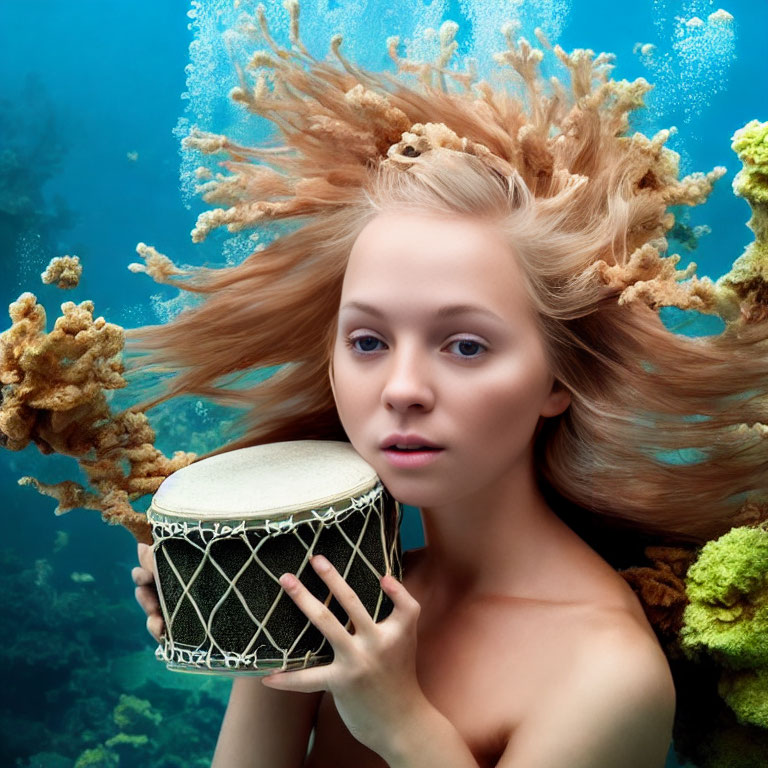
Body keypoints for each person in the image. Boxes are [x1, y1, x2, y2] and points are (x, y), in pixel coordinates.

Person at [128, 5, 767, 767]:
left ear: (559, 379)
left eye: (464, 345)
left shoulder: (607, 672)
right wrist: (259, 625)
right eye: (367, 341)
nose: (401, 388)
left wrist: (401, 722)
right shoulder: (356, 596)